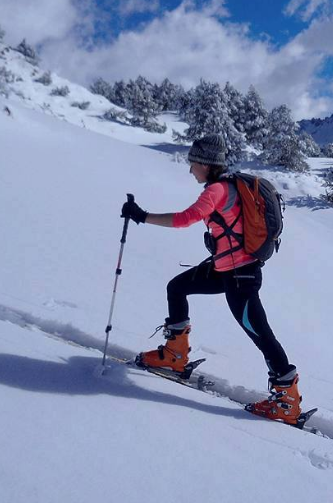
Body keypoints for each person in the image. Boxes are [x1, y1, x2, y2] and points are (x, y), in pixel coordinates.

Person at [120, 134, 303, 425]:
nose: (191, 169)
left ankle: (287, 400)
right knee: (177, 287)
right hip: (226, 269)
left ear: (205, 164)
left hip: (240, 277)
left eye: (193, 163)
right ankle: (175, 355)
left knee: (260, 334)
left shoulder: (217, 190)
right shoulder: (228, 187)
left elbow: (184, 219)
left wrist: (142, 216)